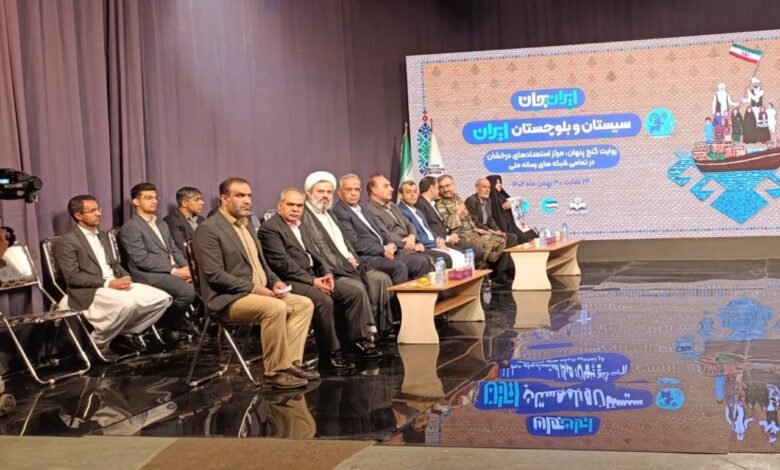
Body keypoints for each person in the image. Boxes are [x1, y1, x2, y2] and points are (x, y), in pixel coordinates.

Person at [192, 177, 316, 390]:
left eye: (249, 196)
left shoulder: (246, 224)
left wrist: (274, 281)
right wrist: (254, 289)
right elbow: (214, 275)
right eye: (240, 196)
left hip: (258, 293)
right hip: (227, 298)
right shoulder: (209, 229)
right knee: (275, 308)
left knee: (303, 304)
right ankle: (275, 372)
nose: (247, 200)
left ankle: (290, 364)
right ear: (224, 199)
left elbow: (261, 263)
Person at [259, 187, 378, 366]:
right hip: (288, 281)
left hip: (313, 276)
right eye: (290, 205)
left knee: (353, 293)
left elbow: (316, 255)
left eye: (299, 205)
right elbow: (282, 264)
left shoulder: (302, 225)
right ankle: (329, 354)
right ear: (280, 205)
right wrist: (312, 281)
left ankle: (355, 342)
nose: (295, 209)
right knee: (323, 300)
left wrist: (326, 274)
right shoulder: (270, 229)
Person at [54, 195, 172, 356]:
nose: (98, 213)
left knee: (162, 299)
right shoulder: (67, 241)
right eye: (92, 211)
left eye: (98, 209)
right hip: (91, 289)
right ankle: (98, 343)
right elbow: (73, 277)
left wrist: (126, 276)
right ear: (78, 215)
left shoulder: (103, 235)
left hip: (114, 283)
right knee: (126, 304)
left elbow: (115, 263)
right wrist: (107, 283)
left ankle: (125, 334)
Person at [302, 171, 396, 337]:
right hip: (332, 270)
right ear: (309, 193)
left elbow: (346, 243)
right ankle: (360, 337)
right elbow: (317, 251)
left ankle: (380, 332)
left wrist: (352, 258)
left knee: (381, 279)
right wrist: (344, 262)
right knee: (356, 287)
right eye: (320, 191)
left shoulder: (329, 213)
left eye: (328, 192)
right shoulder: (305, 217)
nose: (325, 196)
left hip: (349, 263)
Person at [119, 182, 197, 343]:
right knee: (188, 291)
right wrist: (174, 271)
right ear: (136, 202)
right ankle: (168, 325)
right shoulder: (131, 227)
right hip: (149, 274)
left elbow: (173, 249)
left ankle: (186, 321)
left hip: (170, 270)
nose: (154, 201)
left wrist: (186, 268)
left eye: (155, 197)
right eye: (148, 198)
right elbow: (141, 259)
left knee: (203, 279)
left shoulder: (161, 223)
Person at [332, 174, 429, 285]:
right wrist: (383, 249)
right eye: (349, 190)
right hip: (366, 256)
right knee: (399, 267)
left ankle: (420, 296)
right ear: (339, 192)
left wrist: (391, 245)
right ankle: (398, 297)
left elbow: (381, 233)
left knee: (421, 262)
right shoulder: (340, 211)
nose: (353, 193)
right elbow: (355, 244)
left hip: (382, 251)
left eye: (357, 189)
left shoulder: (362, 208)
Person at [363, 174, 453, 268]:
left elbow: (409, 224)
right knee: (427, 261)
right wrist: (411, 244)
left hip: (411, 244)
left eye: (390, 186)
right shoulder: (369, 210)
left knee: (445, 258)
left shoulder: (392, 205)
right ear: (374, 190)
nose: (392, 189)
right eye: (386, 186)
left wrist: (412, 236)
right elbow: (385, 235)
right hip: (397, 248)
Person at [435, 175, 512, 281]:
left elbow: (468, 217)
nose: (445, 189)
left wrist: (475, 228)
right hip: (459, 234)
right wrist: (458, 212)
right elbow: (449, 225)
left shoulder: (457, 198)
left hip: (471, 231)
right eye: (441, 187)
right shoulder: (439, 203)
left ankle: (486, 267)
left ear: (453, 185)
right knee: (486, 245)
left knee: (501, 241)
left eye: (447, 186)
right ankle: (481, 273)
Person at [415, 176, 486, 266]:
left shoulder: (431, 203)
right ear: (432, 188)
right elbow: (427, 228)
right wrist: (446, 238)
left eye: (447, 186)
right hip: (440, 240)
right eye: (438, 187)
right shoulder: (421, 204)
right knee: (465, 255)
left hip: (448, 237)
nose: (439, 191)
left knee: (478, 252)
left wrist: (450, 236)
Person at [396, 180, 464, 266]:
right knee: (451, 258)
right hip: (425, 245)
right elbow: (416, 234)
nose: (413, 195)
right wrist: (436, 243)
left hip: (433, 243)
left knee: (460, 255)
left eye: (415, 192)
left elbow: (428, 230)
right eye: (409, 192)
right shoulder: (401, 211)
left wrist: (439, 239)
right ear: (401, 195)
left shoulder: (417, 211)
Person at [465, 178, 519, 248]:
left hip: (488, 229)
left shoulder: (488, 200)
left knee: (513, 237)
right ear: (477, 189)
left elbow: (490, 220)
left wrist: (498, 230)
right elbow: (475, 222)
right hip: (478, 231)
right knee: (502, 240)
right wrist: (493, 232)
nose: (487, 190)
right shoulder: (471, 201)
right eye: (484, 187)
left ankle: (508, 255)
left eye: (489, 187)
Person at [485, 175, 538, 245]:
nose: (500, 185)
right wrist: (505, 206)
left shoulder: (502, 195)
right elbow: (499, 211)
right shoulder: (490, 199)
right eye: (497, 183)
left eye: (500, 182)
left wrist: (516, 202)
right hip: (506, 225)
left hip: (513, 222)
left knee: (532, 233)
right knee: (524, 237)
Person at [164, 186, 205, 252]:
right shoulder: (172, 220)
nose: (202, 203)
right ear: (185, 203)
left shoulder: (202, 220)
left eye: (201, 199)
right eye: (196, 200)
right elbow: (181, 247)